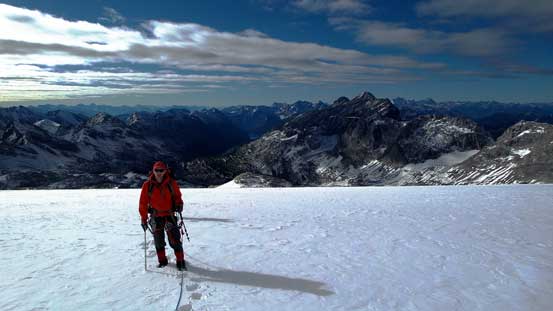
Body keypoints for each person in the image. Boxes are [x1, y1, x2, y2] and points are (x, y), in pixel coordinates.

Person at [139, 161, 186, 270]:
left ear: (165, 171)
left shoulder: (171, 183)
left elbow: (177, 196)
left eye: (161, 170)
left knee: (175, 239)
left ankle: (180, 261)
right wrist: (143, 219)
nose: (159, 173)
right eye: (157, 170)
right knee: (158, 240)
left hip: (169, 215)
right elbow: (143, 203)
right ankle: (162, 261)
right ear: (153, 171)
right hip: (156, 216)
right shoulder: (147, 185)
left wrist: (179, 204)